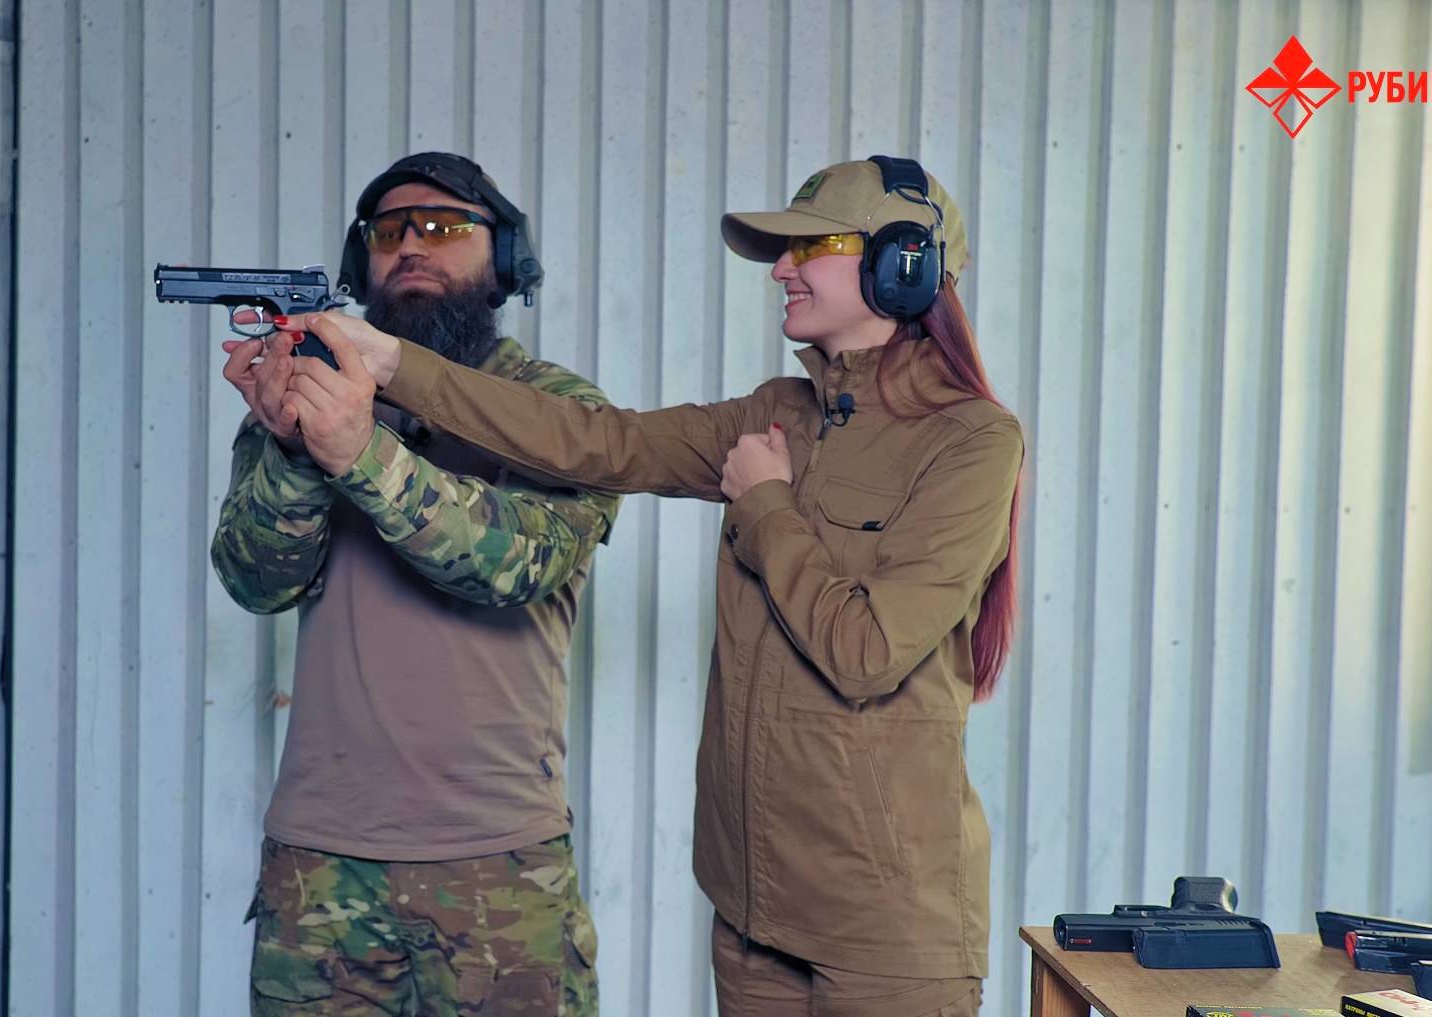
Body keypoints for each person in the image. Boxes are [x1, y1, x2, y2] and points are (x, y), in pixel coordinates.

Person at [287, 155, 1025, 1017]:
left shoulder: (973, 441)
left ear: (904, 266)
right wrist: (391, 362)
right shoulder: (775, 413)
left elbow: (866, 652)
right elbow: (594, 441)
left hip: (886, 932)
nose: (781, 271)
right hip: (753, 917)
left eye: (809, 248)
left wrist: (767, 504)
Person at [212, 151, 615, 1016]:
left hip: (499, 860)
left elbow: (515, 563)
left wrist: (357, 450)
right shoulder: (311, 393)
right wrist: (292, 448)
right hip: (320, 861)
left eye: (444, 226)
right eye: (391, 230)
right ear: (361, 263)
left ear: (505, 258)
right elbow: (254, 579)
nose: (412, 247)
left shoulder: (557, 408)